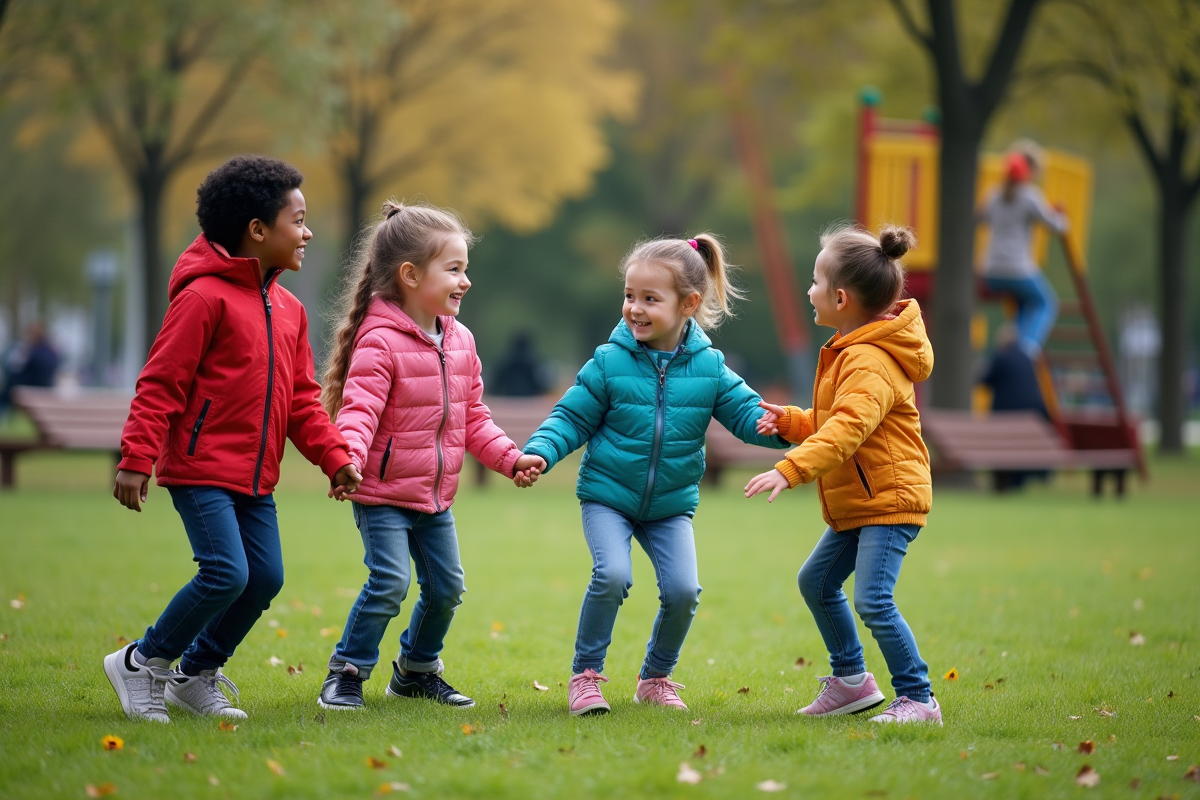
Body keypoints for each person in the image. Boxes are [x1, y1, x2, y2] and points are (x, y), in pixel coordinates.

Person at [105, 155, 362, 723]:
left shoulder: (288, 309)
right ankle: (141, 663)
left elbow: (300, 400)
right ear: (257, 230)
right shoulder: (202, 299)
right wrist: (136, 457)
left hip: (254, 476)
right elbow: (160, 382)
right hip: (199, 468)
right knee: (226, 572)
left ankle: (195, 674)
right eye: (298, 220)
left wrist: (335, 458)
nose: (307, 232)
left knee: (265, 576)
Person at [521, 234, 789, 715]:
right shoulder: (609, 361)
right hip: (608, 496)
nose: (634, 309)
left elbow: (748, 416)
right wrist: (541, 451)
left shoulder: (709, 366)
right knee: (612, 575)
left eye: (649, 299)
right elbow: (571, 417)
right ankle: (585, 676)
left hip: (669, 505)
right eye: (629, 296)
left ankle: (656, 678)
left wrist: (787, 427)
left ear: (688, 303)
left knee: (684, 591)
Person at [317, 201, 546, 711]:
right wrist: (345, 458)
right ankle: (347, 670)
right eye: (455, 269)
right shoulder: (379, 341)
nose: (465, 281)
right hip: (381, 492)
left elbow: (473, 417)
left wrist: (510, 459)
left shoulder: (460, 340)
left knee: (447, 587)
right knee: (391, 581)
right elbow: (358, 411)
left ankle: (417, 671)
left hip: (434, 496)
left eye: (466, 269)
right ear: (410, 275)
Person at [745, 224, 941, 725]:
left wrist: (790, 469)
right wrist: (791, 422)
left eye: (813, 281)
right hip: (863, 499)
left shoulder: (869, 360)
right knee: (817, 582)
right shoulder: (848, 350)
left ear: (839, 296)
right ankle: (852, 681)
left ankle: (919, 699)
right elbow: (838, 421)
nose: (808, 290)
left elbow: (848, 430)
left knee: (873, 599)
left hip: (888, 500)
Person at [979, 150, 1069, 356]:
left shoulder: (993, 195)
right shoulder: (1030, 196)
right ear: (1026, 175)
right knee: (1046, 303)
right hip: (1018, 270)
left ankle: (1013, 346)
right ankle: (1028, 347)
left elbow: (981, 218)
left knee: (1023, 306)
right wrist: (1063, 220)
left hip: (991, 271)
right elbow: (1054, 226)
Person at [981, 323, 1050, 491]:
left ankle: (1003, 482)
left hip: (1007, 413)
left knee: (1003, 447)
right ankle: (1020, 481)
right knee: (1023, 448)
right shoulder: (1027, 358)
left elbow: (985, 380)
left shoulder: (1001, 357)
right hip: (1032, 412)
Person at [0, 321, 59, 417]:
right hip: (46, 387)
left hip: (33, 388)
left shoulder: (34, 352)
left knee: (5, 393)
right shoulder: (49, 351)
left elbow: (20, 369)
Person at [491, 330, 549, 396]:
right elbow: (543, 385)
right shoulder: (535, 363)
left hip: (509, 399)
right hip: (531, 401)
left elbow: (495, 385)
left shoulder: (504, 362)